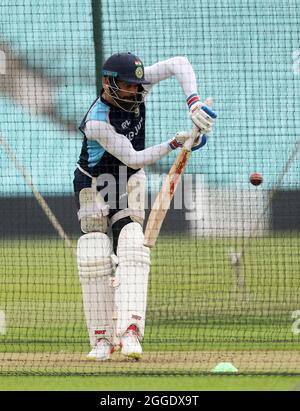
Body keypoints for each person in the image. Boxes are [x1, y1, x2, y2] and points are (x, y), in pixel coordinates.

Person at [73, 52, 217, 361]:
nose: (135, 91)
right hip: (95, 184)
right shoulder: (96, 122)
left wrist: (193, 103)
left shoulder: (138, 87)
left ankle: (131, 333)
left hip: (129, 181)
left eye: (138, 85)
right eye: (127, 86)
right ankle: (101, 339)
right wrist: (176, 144)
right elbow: (134, 157)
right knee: (93, 251)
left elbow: (179, 63)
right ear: (108, 84)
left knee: (133, 245)